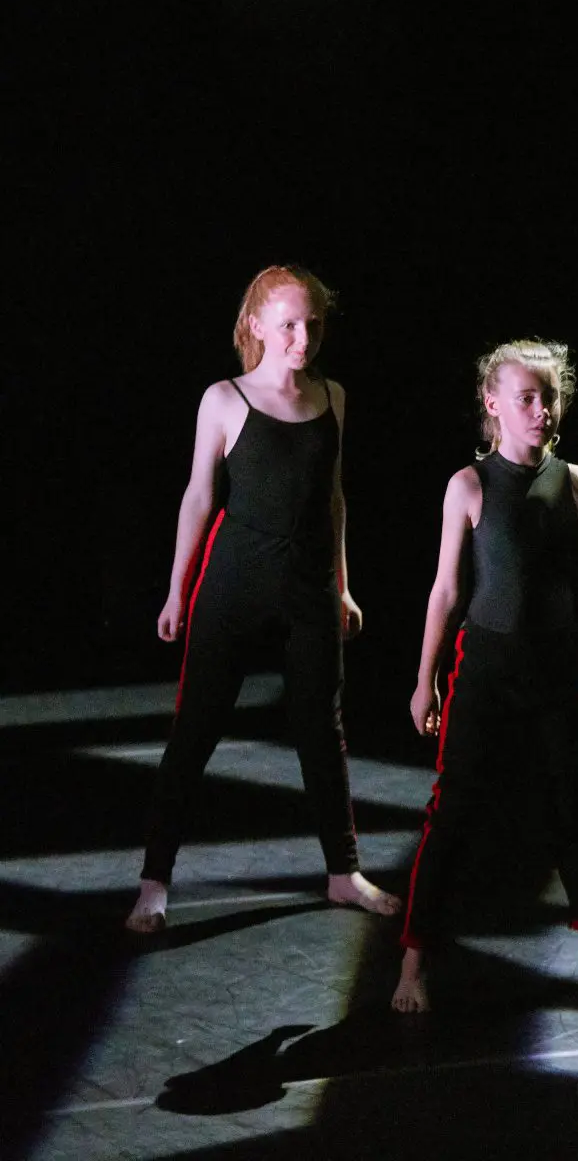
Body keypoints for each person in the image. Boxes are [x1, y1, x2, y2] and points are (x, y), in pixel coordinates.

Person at [127, 266, 398, 933]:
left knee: (322, 730)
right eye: (289, 325)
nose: (303, 337)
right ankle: (153, 885)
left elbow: (333, 499)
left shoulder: (332, 397)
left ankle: (343, 872)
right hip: (235, 584)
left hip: (308, 588)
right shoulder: (224, 398)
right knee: (195, 729)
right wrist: (175, 588)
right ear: (255, 326)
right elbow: (199, 496)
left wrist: (344, 585)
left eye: (312, 324)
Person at [393, 340, 578, 1011]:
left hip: (555, 670)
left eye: (549, 396)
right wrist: (427, 677)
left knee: (570, 810)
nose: (541, 410)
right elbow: (446, 590)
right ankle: (412, 962)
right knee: (453, 811)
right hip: (488, 669)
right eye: (526, 398)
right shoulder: (469, 486)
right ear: (493, 404)